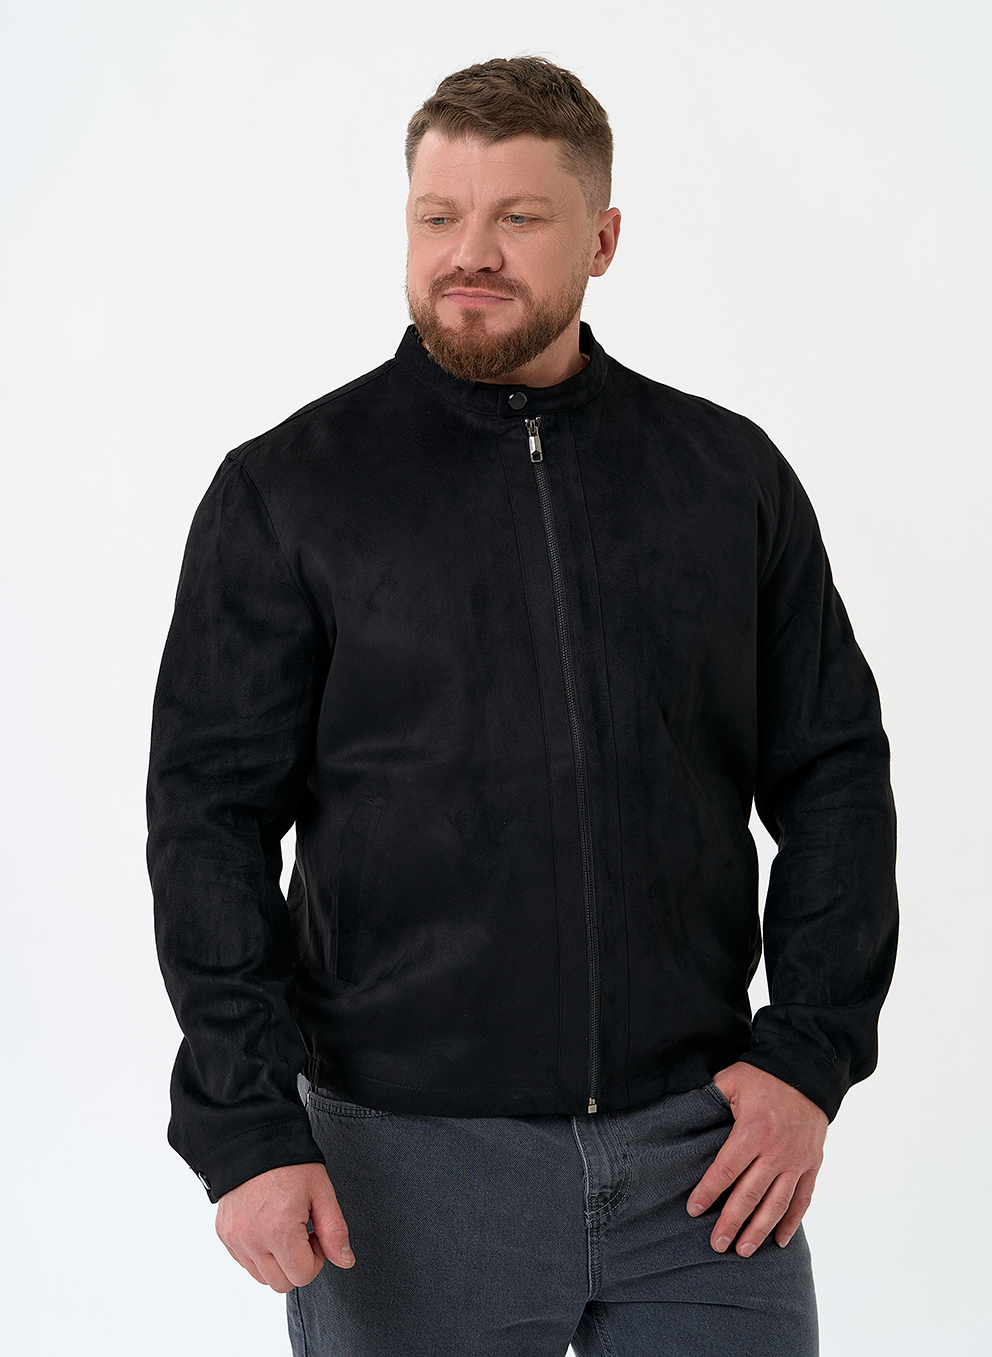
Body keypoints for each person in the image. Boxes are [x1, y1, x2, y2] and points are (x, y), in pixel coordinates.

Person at [147, 56, 898, 1357]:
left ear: (602, 239)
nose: (470, 253)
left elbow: (832, 772)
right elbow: (208, 823)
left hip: (705, 1170)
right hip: (400, 1169)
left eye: (519, 216)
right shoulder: (291, 491)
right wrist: (248, 1125)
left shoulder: (725, 478)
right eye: (439, 215)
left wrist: (807, 1057)